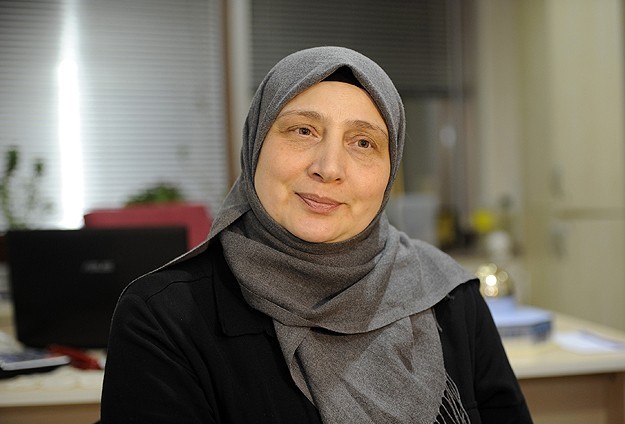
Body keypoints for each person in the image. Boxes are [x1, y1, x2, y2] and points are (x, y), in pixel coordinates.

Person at [100, 46, 532, 423]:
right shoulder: (164, 317)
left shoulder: (448, 295)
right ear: (255, 146)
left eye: (363, 143)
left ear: (391, 170)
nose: (328, 168)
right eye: (303, 130)